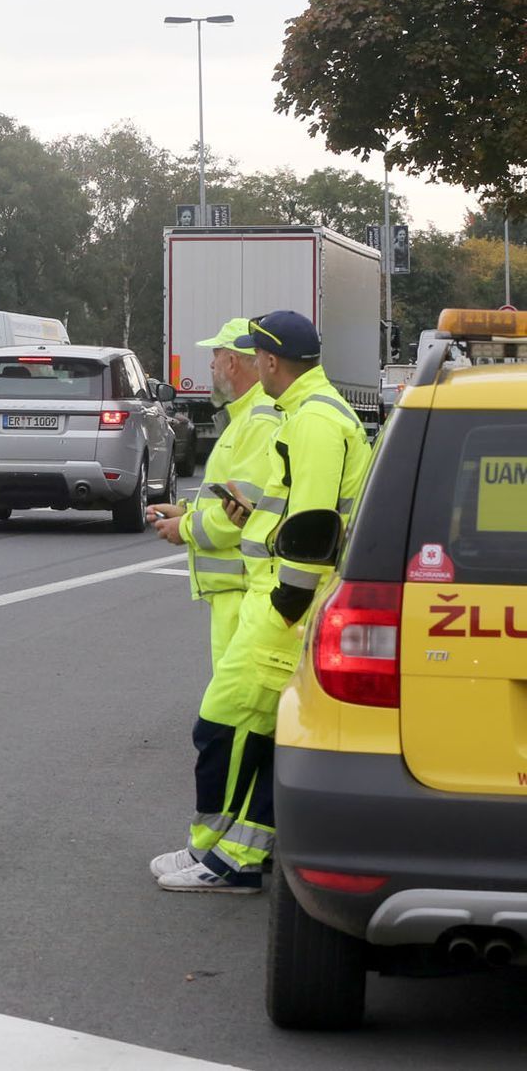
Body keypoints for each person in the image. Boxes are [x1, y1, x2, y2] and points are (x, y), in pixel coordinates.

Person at [154, 310, 372, 893]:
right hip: (279, 594)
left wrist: (286, 605)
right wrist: (253, 519)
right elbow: (293, 509)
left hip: (285, 603)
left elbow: (315, 523)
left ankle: (215, 853)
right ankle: (240, 857)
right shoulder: (303, 414)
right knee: (262, 734)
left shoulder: (314, 421)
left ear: (270, 362)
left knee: (222, 725)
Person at [144, 318, 282, 669]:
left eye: (215, 356)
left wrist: (185, 529)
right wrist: (186, 512)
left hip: (244, 591)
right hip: (237, 592)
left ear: (233, 362)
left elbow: (243, 512)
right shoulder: (246, 418)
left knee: (231, 712)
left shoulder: (258, 420)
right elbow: (236, 499)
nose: (210, 365)